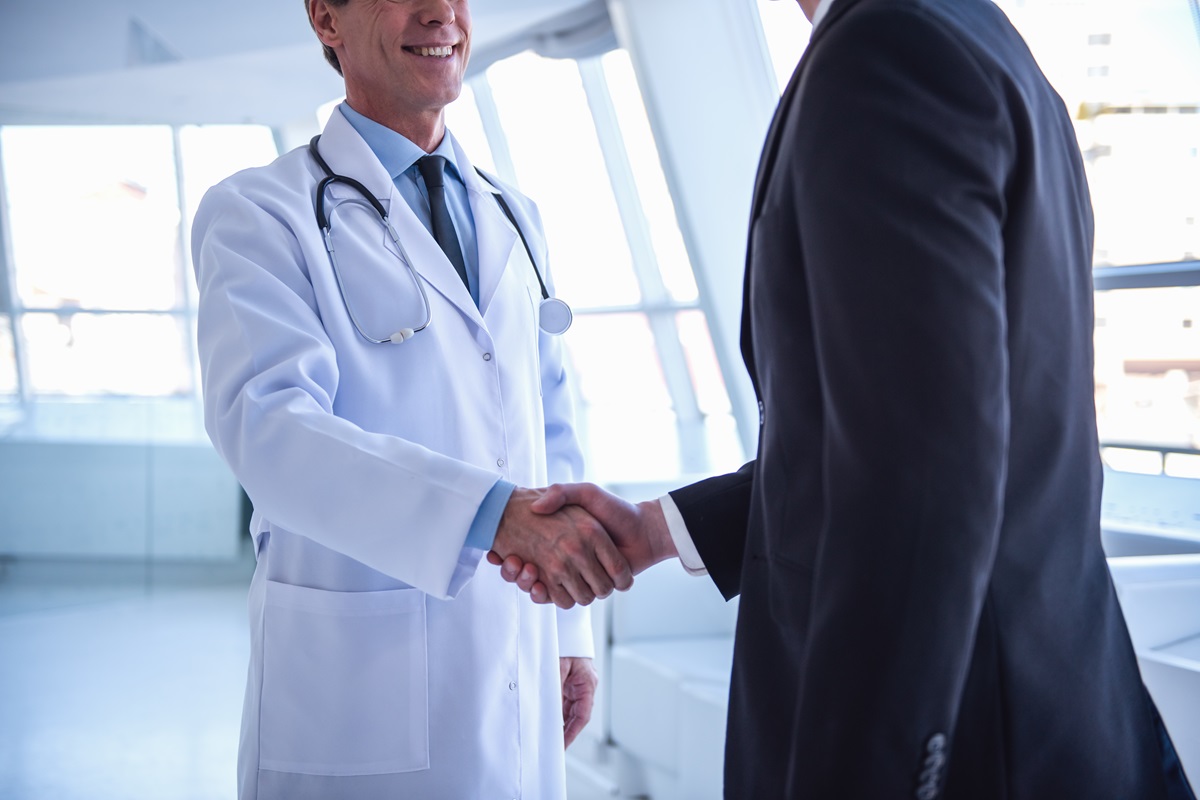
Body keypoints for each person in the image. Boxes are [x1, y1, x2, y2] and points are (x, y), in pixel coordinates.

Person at [495, 0, 1199, 797]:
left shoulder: (885, 53)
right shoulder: (980, 38)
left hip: (972, 742)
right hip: (1054, 709)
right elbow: (909, 426)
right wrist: (657, 531)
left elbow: (927, 477)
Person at [190, 0, 631, 797]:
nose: (443, 13)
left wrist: (570, 627)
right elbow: (271, 429)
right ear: (327, 19)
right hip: (358, 680)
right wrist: (489, 513)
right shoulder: (259, 212)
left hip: (515, 648)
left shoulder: (512, 215)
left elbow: (550, 430)